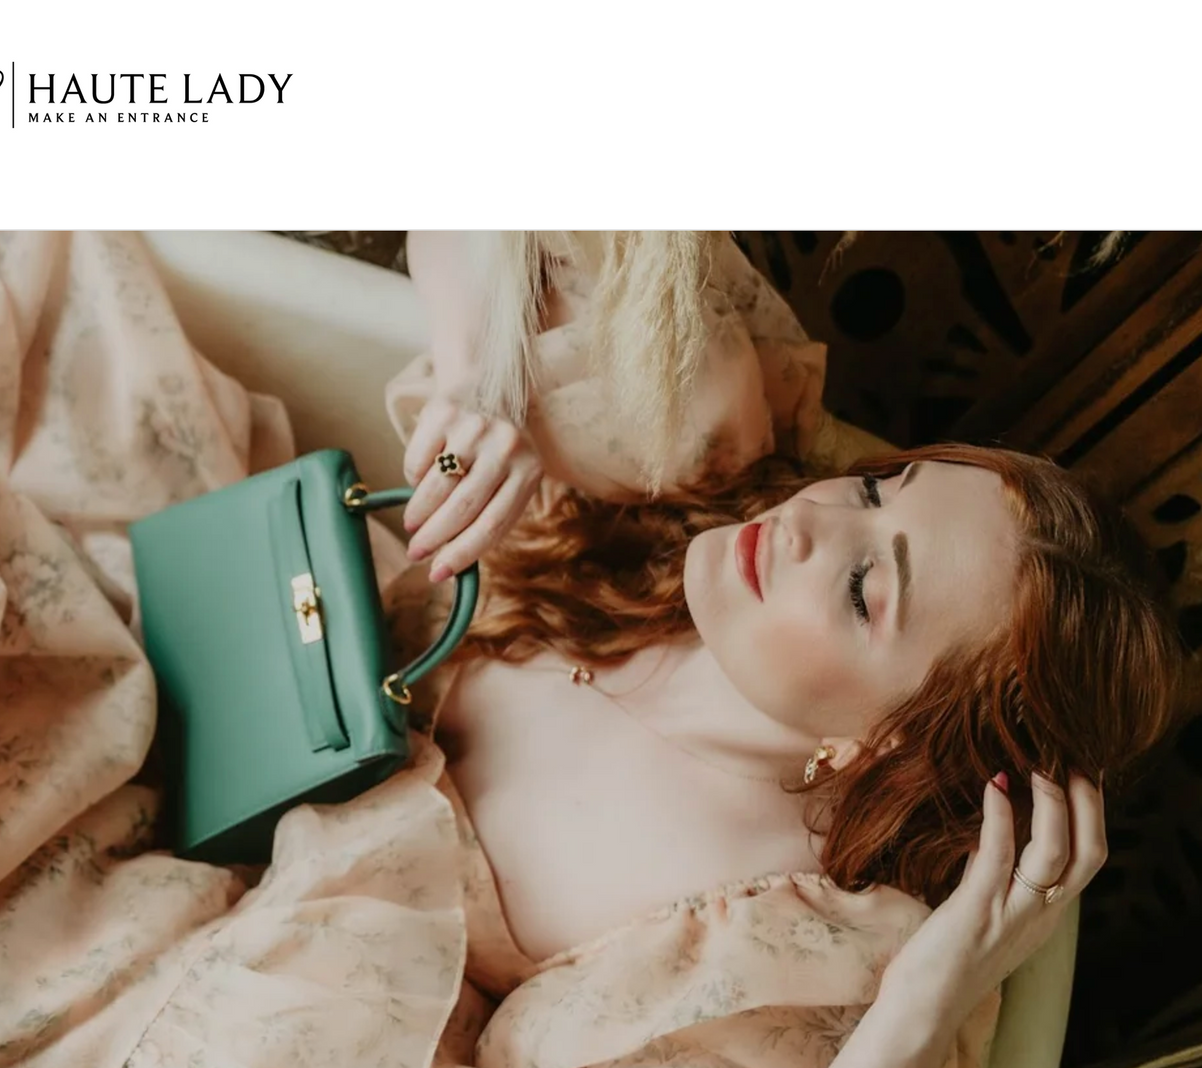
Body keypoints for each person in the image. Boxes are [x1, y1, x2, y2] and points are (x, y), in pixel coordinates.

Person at [388, 230, 1183, 1067]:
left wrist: (918, 1008)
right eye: (875, 488)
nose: (808, 519)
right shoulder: (709, 447)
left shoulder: (780, 956)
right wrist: (480, 380)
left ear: (889, 740)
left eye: (862, 590)